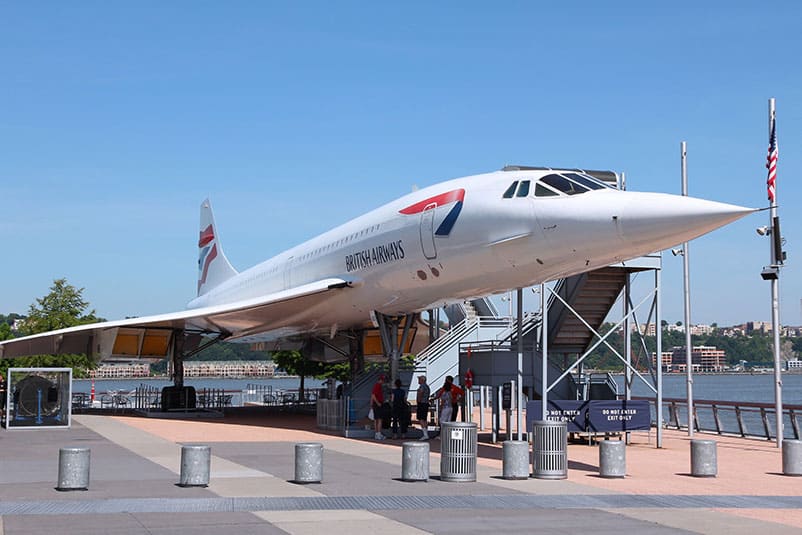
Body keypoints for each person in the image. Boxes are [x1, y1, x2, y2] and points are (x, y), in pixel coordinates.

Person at [370, 374, 386, 440]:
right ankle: (378, 433)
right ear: (381, 380)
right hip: (378, 404)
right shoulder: (378, 386)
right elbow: (373, 395)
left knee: (376, 419)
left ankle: (377, 433)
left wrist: (371, 404)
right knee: (379, 419)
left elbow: (372, 395)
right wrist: (378, 403)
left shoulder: (376, 386)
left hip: (375, 404)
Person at [416, 375, 430, 440]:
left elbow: (420, 394)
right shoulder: (427, 386)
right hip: (426, 403)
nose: (418, 380)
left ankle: (425, 434)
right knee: (424, 419)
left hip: (422, 404)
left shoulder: (422, 387)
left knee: (421, 418)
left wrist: (418, 401)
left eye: (419, 379)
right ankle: (426, 433)